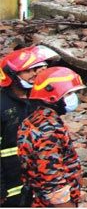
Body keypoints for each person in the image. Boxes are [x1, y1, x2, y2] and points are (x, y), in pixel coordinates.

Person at [17, 66, 85, 208]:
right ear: (53, 97)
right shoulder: (47, 131)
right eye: (69, 94)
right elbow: (53, 184)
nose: (74, 98)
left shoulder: (36, 120)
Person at [0, 46, 60, 207]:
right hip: (10, 182)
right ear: (12, 74)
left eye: (37, 69)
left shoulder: (38, 101)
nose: (35, 74)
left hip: (37, 181)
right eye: (29, 71)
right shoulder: (2, 106)